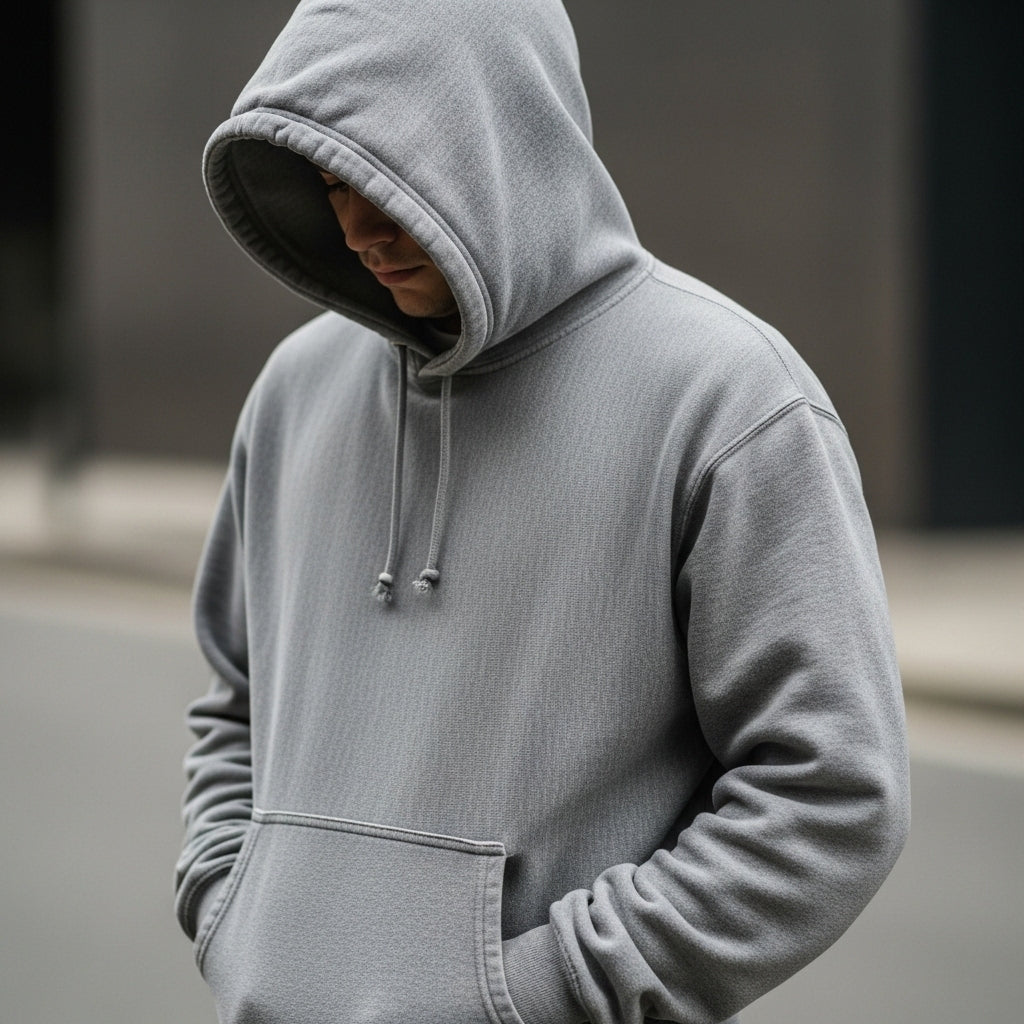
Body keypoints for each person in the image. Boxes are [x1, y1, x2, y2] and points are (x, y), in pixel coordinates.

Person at [174, 2, 911, 1022]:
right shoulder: (295, 391)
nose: (357, 229)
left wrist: (543, 991)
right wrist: (229, 909)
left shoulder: (726, 397)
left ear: (504, 135)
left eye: (388, 178)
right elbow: (234, 704)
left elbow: (830, 793)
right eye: (333, 182)